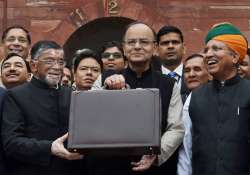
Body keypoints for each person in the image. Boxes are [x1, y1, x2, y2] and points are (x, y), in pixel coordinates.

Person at [92, 22, 184, 175]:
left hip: (154, 166)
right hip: (109, 165)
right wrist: (106, 89)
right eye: (131, 42)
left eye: (144, 42)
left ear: (154, 48)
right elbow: (89, 116)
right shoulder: (105, 79)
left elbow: (176, 128)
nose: (137, 46)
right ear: (124, 48)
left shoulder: (168, 84)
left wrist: (156, 153)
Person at [1, 40, 83, 175]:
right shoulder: (16, 96)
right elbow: (11, 143)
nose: (57, 67)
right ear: (33, 66)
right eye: (50, 61)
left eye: (61, 62)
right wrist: (49, 147)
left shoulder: (72, 94)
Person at [189, 23, 249, 175]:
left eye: (216, 49)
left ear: (235, 57)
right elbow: (188, 144)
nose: (208, 54)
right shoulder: (196, 96)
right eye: (206, 50)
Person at [177, 53, 211, 175]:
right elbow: (185, 146)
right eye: (186, 70)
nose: (191, 74)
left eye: (197, 69)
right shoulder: (180, 101)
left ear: (210, 74)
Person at [154, 26, 189, 103]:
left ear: (184, 48)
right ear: (156, 49)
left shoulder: (194, 75)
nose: (170, 46)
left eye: (175, 42)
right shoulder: (151, 77)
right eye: (165, 43)